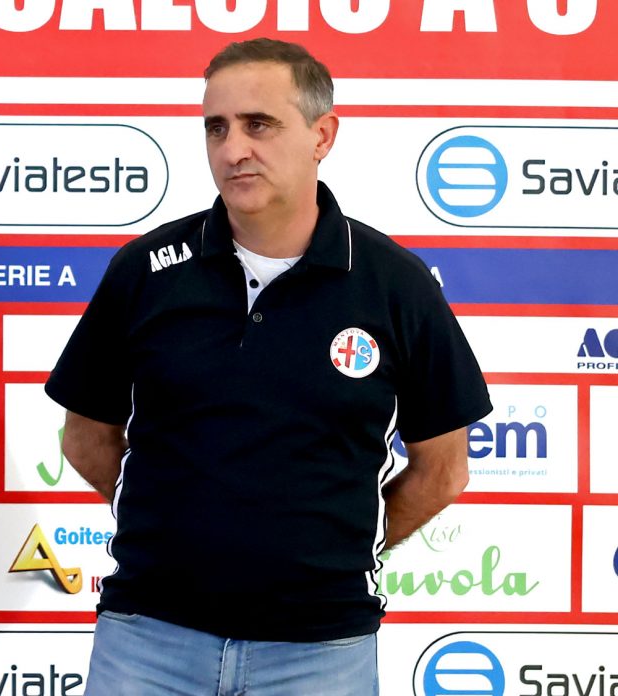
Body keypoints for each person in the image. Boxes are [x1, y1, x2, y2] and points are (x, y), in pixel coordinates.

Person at [45, 38, 492, 696]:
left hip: (321, 652)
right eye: (216, 128)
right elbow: (85, 436)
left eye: (259, 125)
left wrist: (335, 548)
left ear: (322, 135)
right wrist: (171, 528)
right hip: (147, 641)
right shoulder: (145, 272)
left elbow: (444, 469)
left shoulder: (396, 286)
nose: (233, 149)